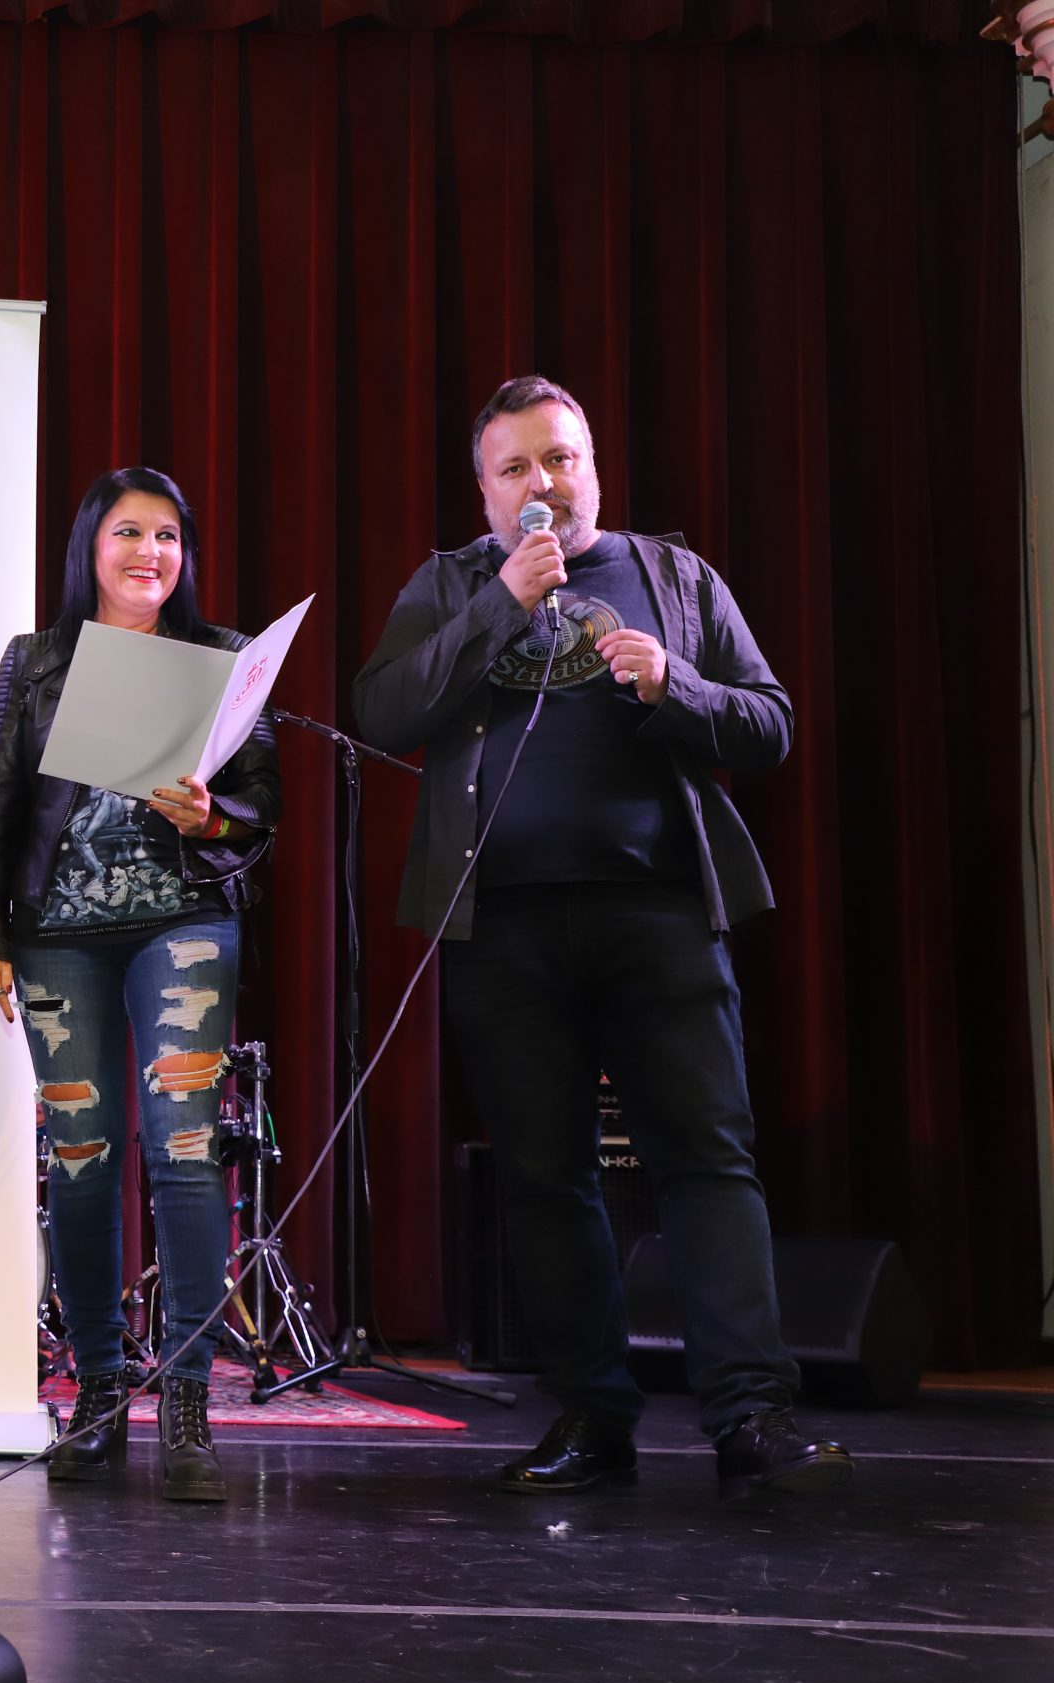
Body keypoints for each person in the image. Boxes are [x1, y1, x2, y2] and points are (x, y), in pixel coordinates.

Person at [352, 375, 850, 1500]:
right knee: (544, 1176)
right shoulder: (450, 585)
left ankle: (750, 1419)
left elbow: (769, 722)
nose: (543, 483)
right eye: (516, 468)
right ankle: (592, 1418)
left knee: (707, 1161)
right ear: (486, 495)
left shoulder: (674, 577)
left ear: (592, 467)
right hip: (500, 923)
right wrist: (500, 604)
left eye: (560, 459)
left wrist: (676, 685)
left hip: (659, 910)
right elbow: (383, 711)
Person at [0, 467, 280, 1503]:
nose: (150, 552)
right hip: (57, 936)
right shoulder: (37, 659)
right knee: (83, 1160)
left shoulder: (224, 657)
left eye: (168, 535)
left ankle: (186, 1398)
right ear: (90, 547)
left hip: (184, 923)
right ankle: (97, 1388)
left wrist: (211, 815)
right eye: (129, 532)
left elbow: (261, 804)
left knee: (184, 1150)